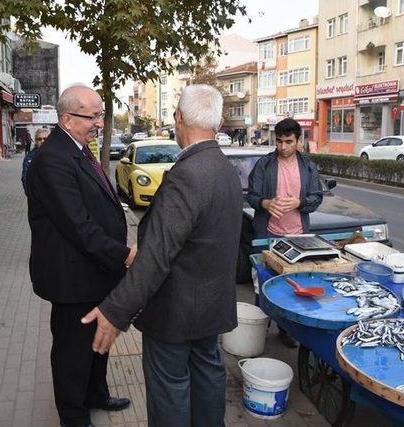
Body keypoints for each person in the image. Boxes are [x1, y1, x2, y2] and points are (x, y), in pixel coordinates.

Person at [82, 84, 243, 427]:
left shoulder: (187, 175)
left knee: (170, 390)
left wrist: (114, 312)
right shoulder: (226, 169)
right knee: (208, 378)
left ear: (179, 118)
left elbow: (156, 258)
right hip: (211, 308)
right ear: (217, 121)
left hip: (175, 312)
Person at [26, 85, 135, 427]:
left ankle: (96, 394)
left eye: (101, 114)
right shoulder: (53, 159)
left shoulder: (77, 148)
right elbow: (78, 225)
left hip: (95, 272)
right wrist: (125, 256)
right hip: (71, 278)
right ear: (67, 119)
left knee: (99, 340)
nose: (100, 123)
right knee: (73, 352)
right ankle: (74, 415)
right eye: (94, 116)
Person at [246, 117, 323, 347]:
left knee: (292, 285)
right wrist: (266, 203)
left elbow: (316, 197)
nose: (283, 147)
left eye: (288, 142)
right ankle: (259, 327)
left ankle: (286, 329)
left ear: (299, 140)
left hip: (298, 236)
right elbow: (252, 196)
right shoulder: (264, 164)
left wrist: (299, 202)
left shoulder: (308, 166)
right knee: (264, 283)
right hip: (269, 234)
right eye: (279, 141)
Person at [21, 128, 49, 193]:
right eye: (39, 139)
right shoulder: (29, 158)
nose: (42, 141)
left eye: (45, 139)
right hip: (36, 198)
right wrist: (31, 196)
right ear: (36, 141)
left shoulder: (57, 155)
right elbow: (25, 179)